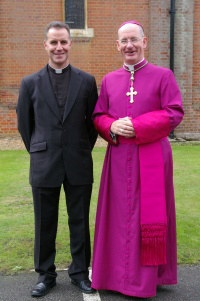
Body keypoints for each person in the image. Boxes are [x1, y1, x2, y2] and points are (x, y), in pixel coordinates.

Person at [91, 21, 184, 298]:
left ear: (145, 42)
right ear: (117, 45)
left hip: (152, 156)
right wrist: (111, 127)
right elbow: (98, 115)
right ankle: (113, 277)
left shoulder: (163, 75)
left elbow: (174, 112)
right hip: (119, 158)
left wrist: (138, 126)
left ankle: (145, 280)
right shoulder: (109, 80)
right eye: (124, 41)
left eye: (134, 40)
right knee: (118, 217)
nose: (129, 45)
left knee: (147, 215)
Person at [17, 21, 98, 297]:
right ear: (45, 45)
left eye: (63, 42)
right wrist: (39, 149)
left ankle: (79, 272)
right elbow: (25, 125)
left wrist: (80, 147)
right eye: (54, 42)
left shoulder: (87, 81)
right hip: (44, 162)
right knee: (44, 222)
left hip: (78, 160)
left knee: (80, 221)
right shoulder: (29, 83)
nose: (59, 47)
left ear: (70, 44)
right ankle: (45, 274)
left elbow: (92, 124)